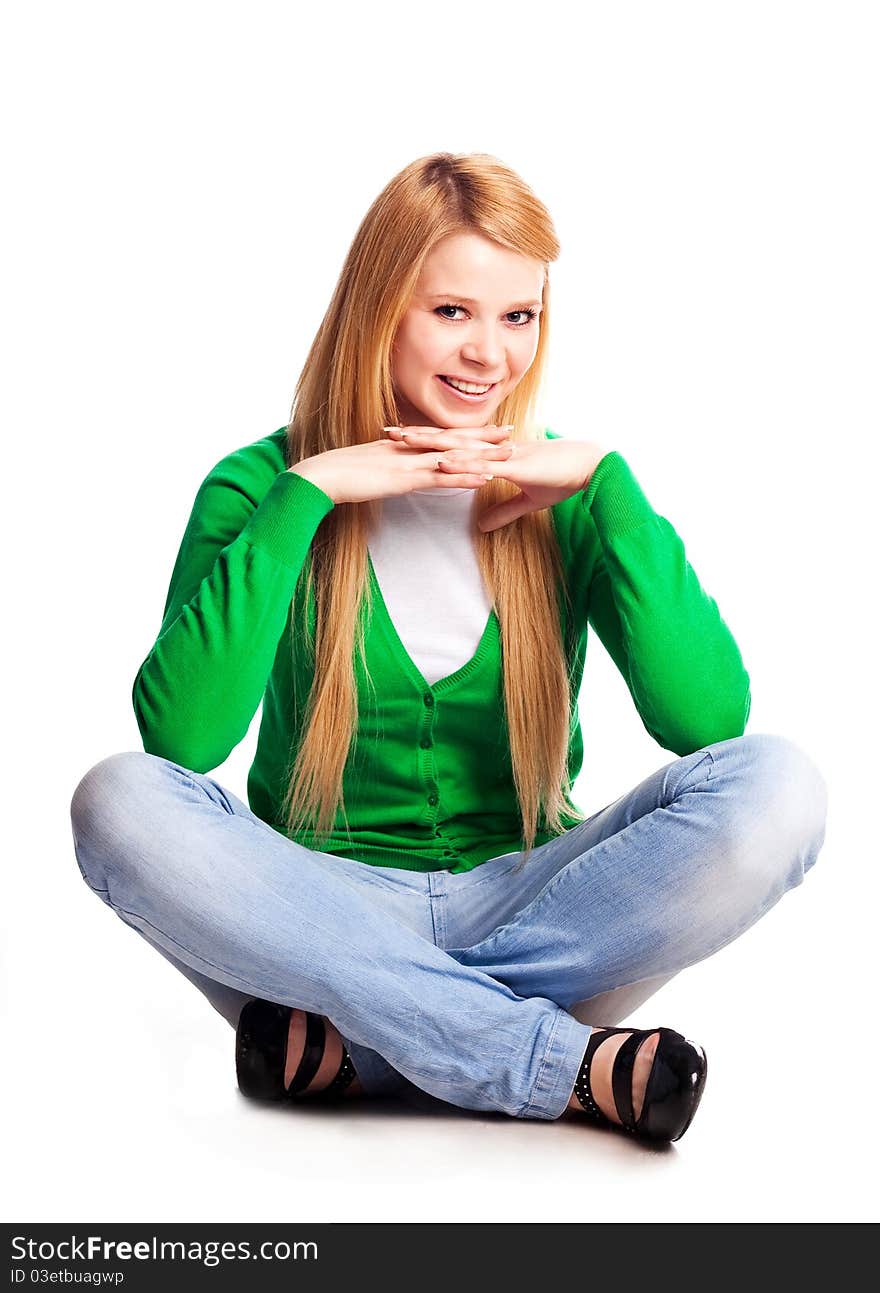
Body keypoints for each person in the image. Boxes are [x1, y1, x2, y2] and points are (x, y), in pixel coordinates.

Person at [69, 151, 828, 1144]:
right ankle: (546, 1060)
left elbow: (707, 722)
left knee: (780, 786)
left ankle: (374, 1044)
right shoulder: (261, 487)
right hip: (315, 909)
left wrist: (610, 490)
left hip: (532, 907)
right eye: (452, 312)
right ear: (376, 308)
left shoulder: (564, 490)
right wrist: (308, 496)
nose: (489, 356)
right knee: (117, 798)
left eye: (518, 316)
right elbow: (185, 737)